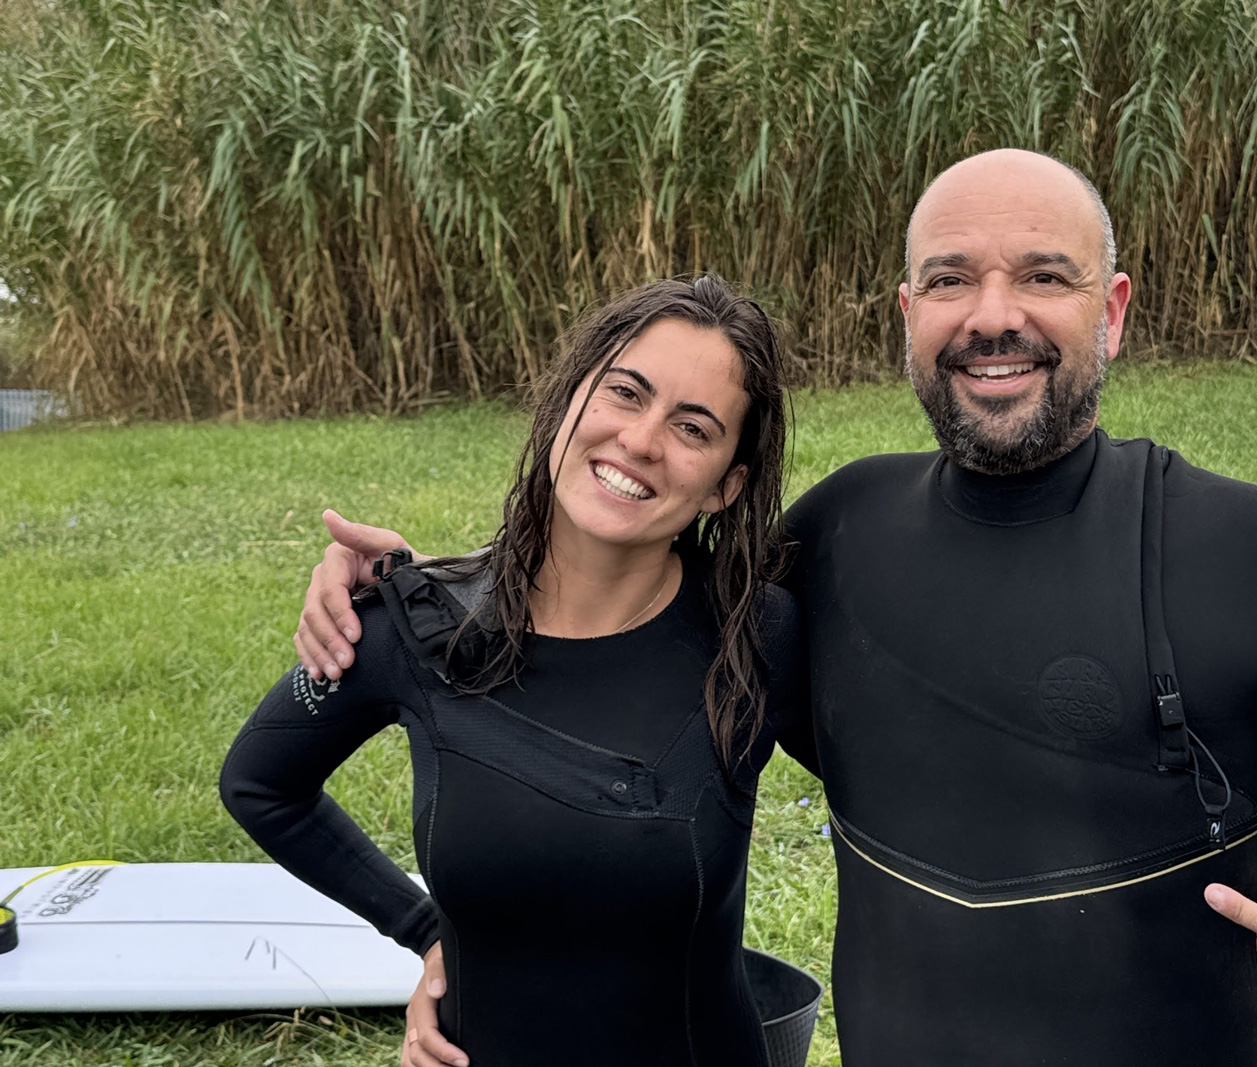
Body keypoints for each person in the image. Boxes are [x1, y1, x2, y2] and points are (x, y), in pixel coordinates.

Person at [294, 151, 1257, 1066]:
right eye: (953, 279)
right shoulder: (835, 534)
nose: (993, 313)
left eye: (1044, 277)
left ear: (1110, 309)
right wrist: (426, 585)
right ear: (906, 313)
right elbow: (609, 600)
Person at [220, 276, 820, 1067]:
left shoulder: (761, 635)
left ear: (726, 485)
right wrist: (426, 932)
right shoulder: (419, 628)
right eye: (624, 392)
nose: (640, 440)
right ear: (569, 399)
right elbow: (261, 784)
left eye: (693, 427)